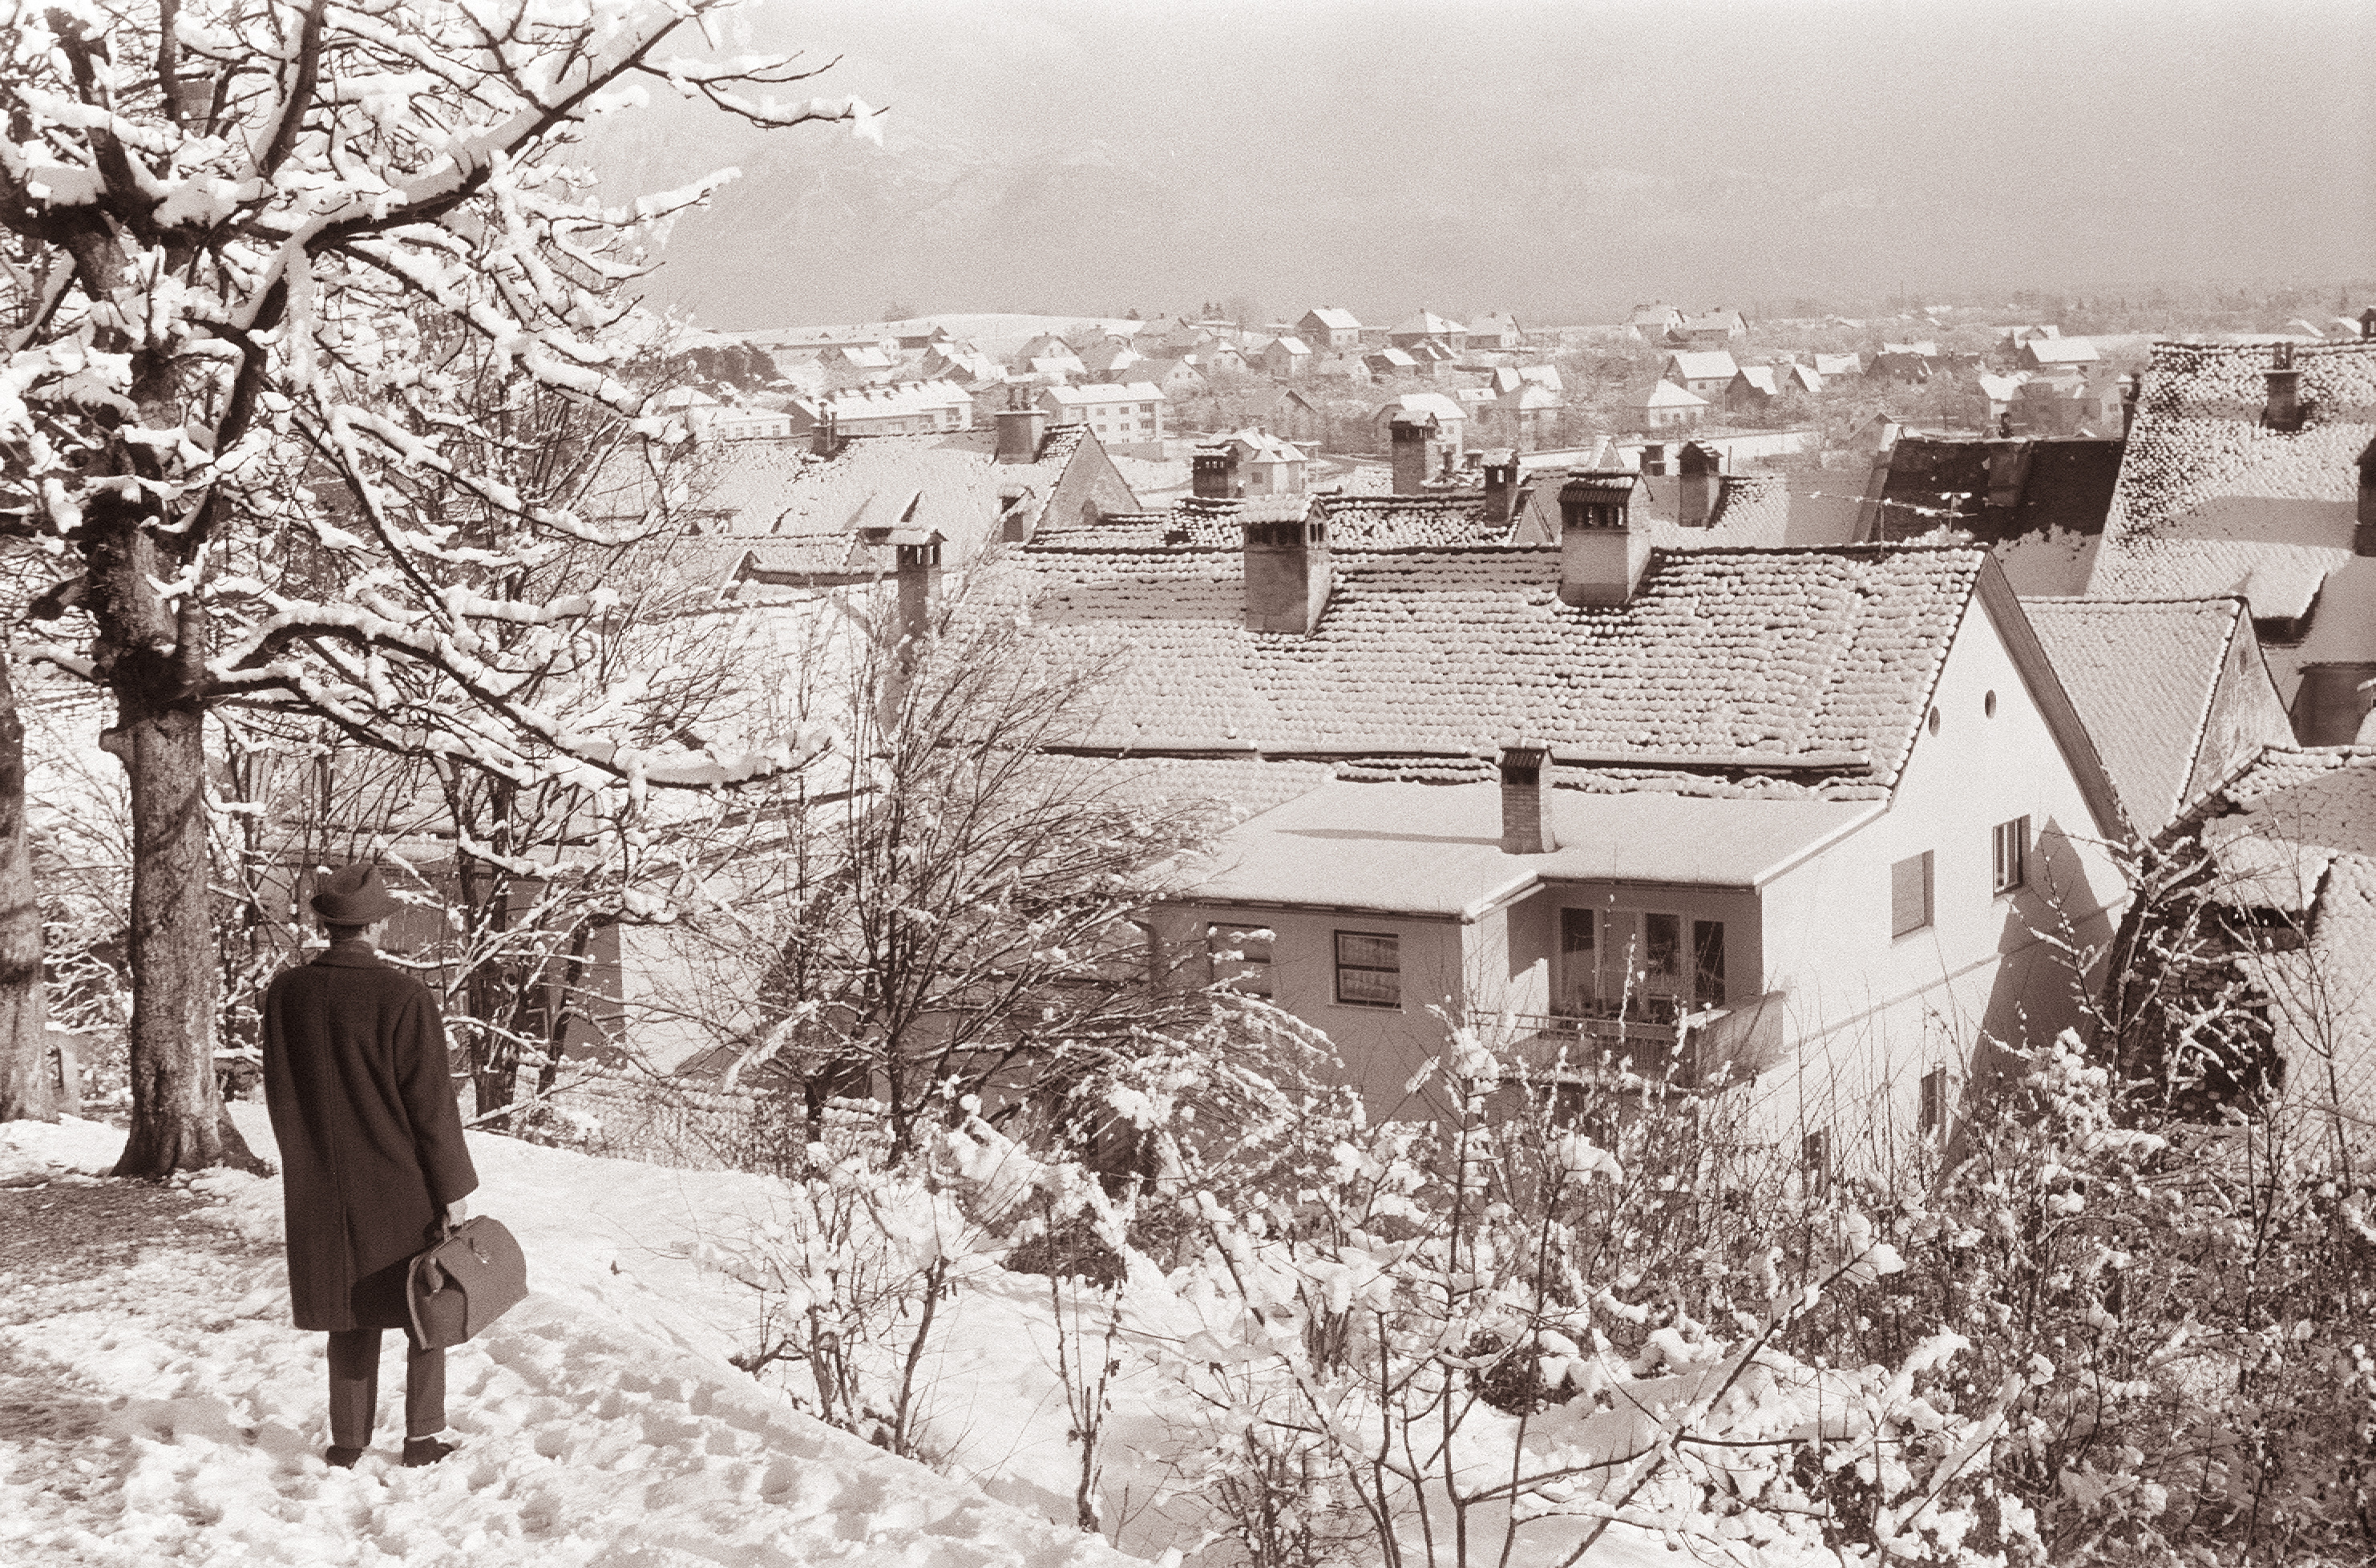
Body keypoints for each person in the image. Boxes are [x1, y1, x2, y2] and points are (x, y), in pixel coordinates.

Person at [261, 863, 479, 1469]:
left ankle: (348, 1445)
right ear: (377, 925)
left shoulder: (286, 996)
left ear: (326, 925)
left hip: (321, 1186)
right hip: (399, 1186)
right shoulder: (404, 998)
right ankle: (422, 1438)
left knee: (348, 1314)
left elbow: (280, 1093)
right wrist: (453, 1188)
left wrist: (305, 1164)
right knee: (423, 1307)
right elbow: (431, 1107)